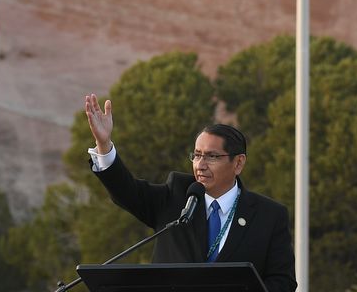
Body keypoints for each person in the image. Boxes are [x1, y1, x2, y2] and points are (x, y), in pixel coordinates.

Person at [83, 93, 296, 292]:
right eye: (196, 155)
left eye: (212, 157)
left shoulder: (269, 215)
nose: (200, 165)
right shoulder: (176, 196)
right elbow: (127, 191)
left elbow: (282, 281)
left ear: (238, 163)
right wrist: (104, 145)